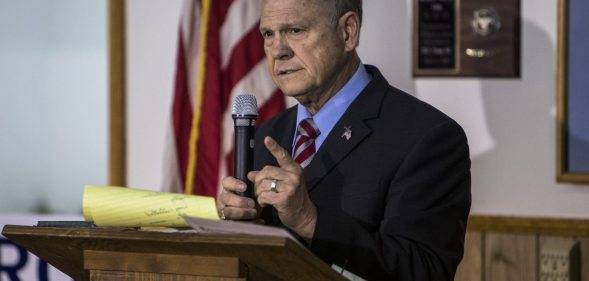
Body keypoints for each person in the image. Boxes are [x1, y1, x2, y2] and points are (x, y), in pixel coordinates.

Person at [217, 0, 471, 279]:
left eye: (296, 30)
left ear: (348, 32)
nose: (278, 50)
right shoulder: (267, 134)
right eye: (268, 34)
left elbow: (426, 271)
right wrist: (244, 224)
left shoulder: (427, 137)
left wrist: (310, 221)